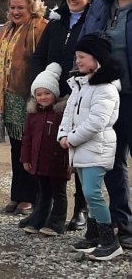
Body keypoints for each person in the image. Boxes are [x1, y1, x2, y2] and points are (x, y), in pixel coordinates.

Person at [28, 0, 100, 230]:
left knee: (77, 153)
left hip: (78, 94)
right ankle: (42, 208)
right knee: (47, 155)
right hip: (50, 96)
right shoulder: (56, 23)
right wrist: (39, 85)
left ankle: (80, 208)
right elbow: (39, 56)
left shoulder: (93, 23)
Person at [80, 0, 132, 249]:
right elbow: (87, 39)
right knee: (111, 164)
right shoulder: (101, 4)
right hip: (106, 96)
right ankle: (122, 226)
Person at [58, 33, 123, 261]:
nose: (78, 61)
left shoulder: (105, 88)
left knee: (92, 193)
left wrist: (72, 139)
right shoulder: (80, 84)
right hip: (81, 149)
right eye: (77, 56)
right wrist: (63, 134)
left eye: (83, 57)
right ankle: (94, 235)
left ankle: (109, 241)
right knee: (88, 191)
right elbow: (68, 112)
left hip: (97, 148)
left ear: (97, 59)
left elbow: (96, 122)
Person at [0, 0, 48, 215]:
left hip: (29, 97)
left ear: (32, 7)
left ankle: (31, 197)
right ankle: (18, 194)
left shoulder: (40, 28)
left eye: (20, 7)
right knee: (17, 149)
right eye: (12, 7)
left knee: (32, 148)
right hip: (8, 97)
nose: (15, 11)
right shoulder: (7, 28)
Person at [20, 63, 70, 236]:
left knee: (59, 193)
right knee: (42, 193)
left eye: (47, 93)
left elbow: (68, 138)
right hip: (38, 162)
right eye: (39, 94)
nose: (42, 97)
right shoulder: (33, 114)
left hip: (58, 162)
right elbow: (27, 137)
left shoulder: (61, 114)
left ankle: (57, 223)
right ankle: (38, 220)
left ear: (55, 94)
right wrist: (26, 159)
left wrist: (71, 162)